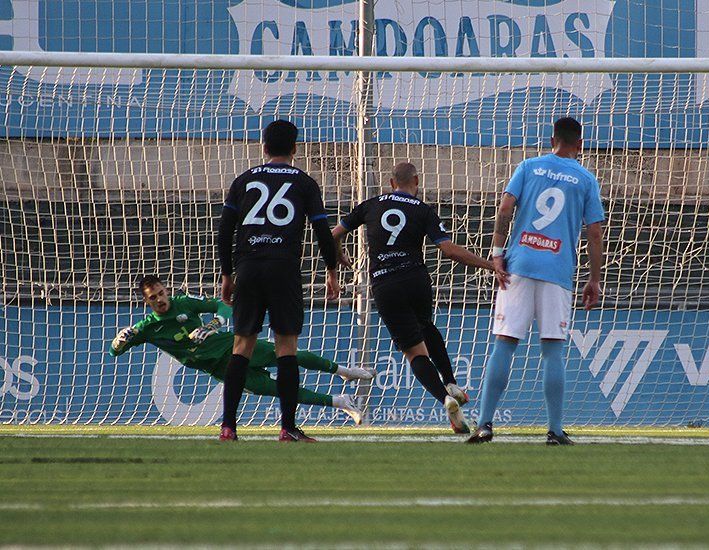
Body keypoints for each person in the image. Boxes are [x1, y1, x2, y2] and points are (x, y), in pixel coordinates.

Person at [332, 162, 504, 433]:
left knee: (414, 353)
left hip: (385, 283)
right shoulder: (423, 209)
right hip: (415, 280)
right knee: (426, 326)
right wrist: (488, 264)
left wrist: (338, 257)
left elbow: (333, 235)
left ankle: (446, 398)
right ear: (417, 180)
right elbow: (448, 250)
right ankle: (451, 381)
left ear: (391, 183)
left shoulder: (370, 205)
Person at [468, 117, 605, 445]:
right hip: (556, 269)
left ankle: (485, 424)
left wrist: (497, 253)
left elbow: (505, 208)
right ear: (580, 144)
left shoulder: (528, 166)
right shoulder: (585, 179)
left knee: (505, 342)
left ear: (552, 139)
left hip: (520, 263)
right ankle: (555, 431)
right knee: (552, 349)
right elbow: (595, 232)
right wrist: (594, 280)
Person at [217, 120, 340, 442]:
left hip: (248, 267)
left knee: (241, 347)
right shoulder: (304, 182)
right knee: (287, 348)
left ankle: (228, 426)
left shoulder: (244, 180)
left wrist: (227, 273)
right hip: (283, 269)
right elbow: (322, 232)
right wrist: (331, 270)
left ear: (265, 147)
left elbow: (225, 231)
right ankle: (287, 427)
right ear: (295, 149)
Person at [110, 276, 374, 425]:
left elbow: (224, 306)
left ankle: (345, 371)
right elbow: (116, 351)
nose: (160, 300)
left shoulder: (183, 303)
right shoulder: (145, 328)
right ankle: (341, 402)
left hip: (234, 348)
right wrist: (118, 342)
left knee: (289, 356)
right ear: (146, 302)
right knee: (284, 391)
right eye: (153, 297)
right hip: (221, 369)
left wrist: (214, 325)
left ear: (166, 290)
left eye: (161, 293)